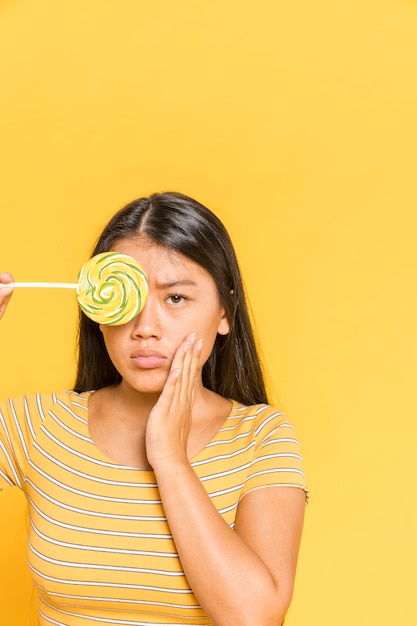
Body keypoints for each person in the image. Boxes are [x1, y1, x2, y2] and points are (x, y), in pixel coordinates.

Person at [0, 192, 307, 626]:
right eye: (127, 297)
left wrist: (169, 457)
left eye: (175, 298)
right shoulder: (37, 425)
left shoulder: (261, 437)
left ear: (225, 312)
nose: (146, 328)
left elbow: (254, 617)